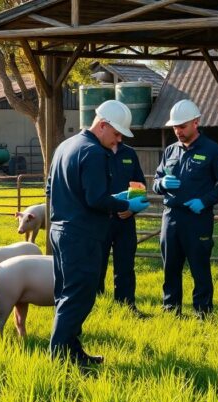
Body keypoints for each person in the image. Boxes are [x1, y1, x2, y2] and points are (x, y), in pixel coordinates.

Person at [47, 99, 150, 367]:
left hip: (60, 229)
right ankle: (59, 359)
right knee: (78, 297)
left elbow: (53, 188)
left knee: (65, 294)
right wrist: (125, 203)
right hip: (82, 233)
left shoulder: (65, 146)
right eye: (116, 134)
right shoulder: (93, 152)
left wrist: (109, 198)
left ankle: (72, 351)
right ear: (102, 125)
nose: (118, 141)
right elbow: (95, 198)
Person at [152, 99, 218, 319]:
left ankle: (203, 311)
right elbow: (156, 179)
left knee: (199, 266)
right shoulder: (170, 150)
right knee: (170, 266)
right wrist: (161, 184)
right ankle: (171, 309)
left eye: (182, 126)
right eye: (175, 127)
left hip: (197, 218)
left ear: (196, 123)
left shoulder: (212, 151)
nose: (177, 131)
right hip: (170, 217)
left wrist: (205, 201)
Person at [97, 137, 148, 318]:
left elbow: (141, 185)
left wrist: (132, 209)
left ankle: (126, 306)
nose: (117, 137)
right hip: (101, 219)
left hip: (125, 220)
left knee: (125, 265)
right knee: (97, 264)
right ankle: (96, 307)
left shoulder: (129, 153)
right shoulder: (95, 152)